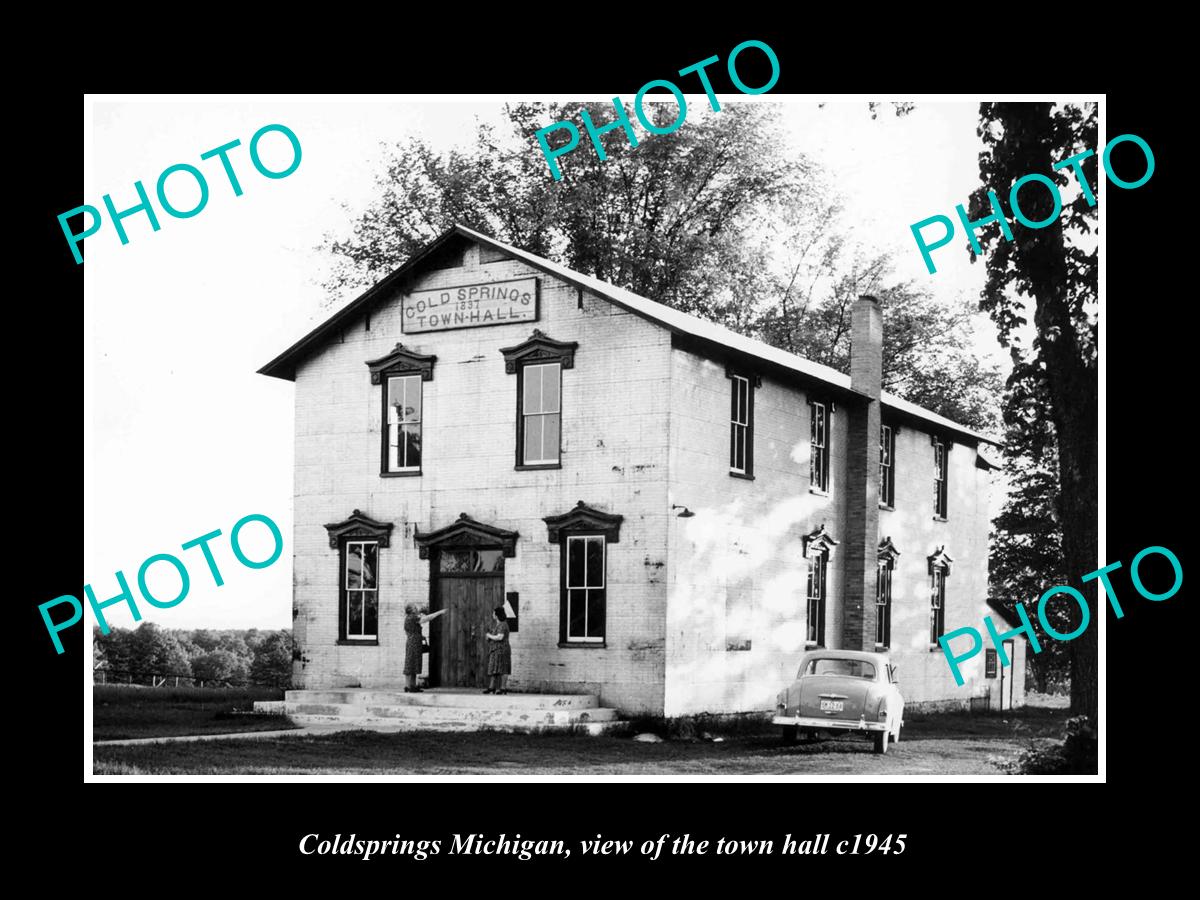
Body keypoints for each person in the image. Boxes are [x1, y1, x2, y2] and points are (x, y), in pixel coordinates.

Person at [403, 603, 437, 693]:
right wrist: (436, 614)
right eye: (414, 608)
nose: (416, 608)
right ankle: (411, 686)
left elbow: (407, 632)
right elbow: (425, 619)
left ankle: (409, 686)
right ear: (411, 610)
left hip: (410, 641)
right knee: (413, 663)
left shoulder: (407, 618)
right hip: (415, 643)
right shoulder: (413, 617)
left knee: (410, 662)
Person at [484, 606, 511, 694]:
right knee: (494, 668)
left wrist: (489, 636)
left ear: (497, 615)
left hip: (502, 650)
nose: (492, 614)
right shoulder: (498, 624)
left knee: (503, 668)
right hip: (496, 650)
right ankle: (492, 687)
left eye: (493, 613)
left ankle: (503, 688)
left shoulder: (503, 624)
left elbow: (500, 637)